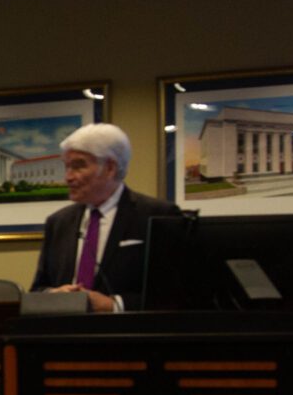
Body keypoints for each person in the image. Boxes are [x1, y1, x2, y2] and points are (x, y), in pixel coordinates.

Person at [30, 123, 182, 312]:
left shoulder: (158, 215)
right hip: (66, 329)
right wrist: (53, 295)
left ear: (110, 168)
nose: (68, 177)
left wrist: (114, 305)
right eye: (66, 167)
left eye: (78, 166)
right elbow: (38, 289)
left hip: (128, 329)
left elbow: (178, 295)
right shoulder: (58, 222)